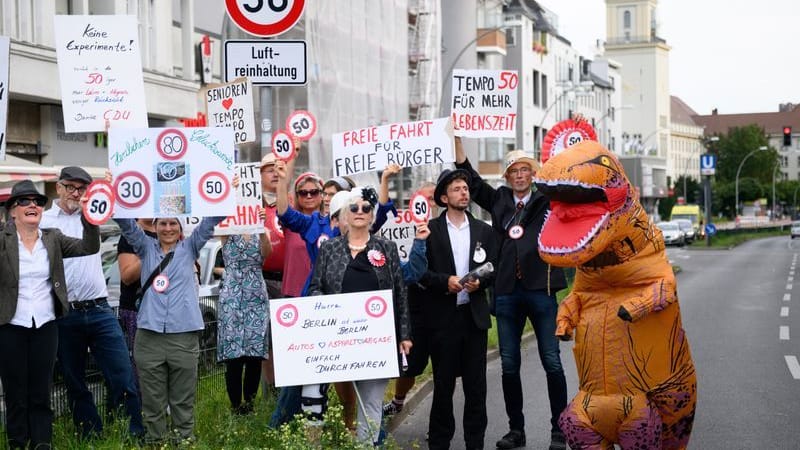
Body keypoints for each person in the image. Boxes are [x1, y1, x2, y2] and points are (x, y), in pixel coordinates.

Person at [454, 138, 568, 450]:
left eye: (525, 170)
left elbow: (571, 177)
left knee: (552, 361)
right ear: (507, 178)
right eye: (514, 171)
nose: (519, 175)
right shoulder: (501, 199)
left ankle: (560, 429)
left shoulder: (548, 198)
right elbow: (473, 182)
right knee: (508, 364)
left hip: (541, 288)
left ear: (533, 174)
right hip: (506, 291)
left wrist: (576, 133)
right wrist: (456, 141)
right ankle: (516, 429)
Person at [39, 166, 143, 439]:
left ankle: (131, 434)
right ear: (58, 187)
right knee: (75, 382)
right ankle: (91, 436)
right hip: (64, 312)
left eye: (81, 188)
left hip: (99, 308)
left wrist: (112, 185)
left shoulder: (94, 213)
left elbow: (123, 212)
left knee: (122, 375)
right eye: (70, 187)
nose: (76, 193)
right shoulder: (44, 220)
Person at [305, 186, 413, 445]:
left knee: (372, 402)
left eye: (366, 208)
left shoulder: (386, 247)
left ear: (372, 215)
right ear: (344, 216)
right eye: (354, 208)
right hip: (338, 338)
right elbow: (315, 287)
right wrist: (331, 311)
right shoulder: (330, 248)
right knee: (324, 397)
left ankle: (366, 445)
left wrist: (405, 335)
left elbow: (400, 292)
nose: (360, 212)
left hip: (378, 339)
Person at [0, 180, 100, 449]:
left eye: (37, 201)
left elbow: (88, 247)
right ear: (12, 211)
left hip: (45, 324)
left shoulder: (52, 238)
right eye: (24, 201)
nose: (32, 205)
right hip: (10, 325)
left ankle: (43, 443)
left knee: (41, 390)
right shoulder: (2, 239)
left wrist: (91, 219)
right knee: (15, 392)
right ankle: (18, 443)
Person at [116, 212, 227, 445]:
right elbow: (125, 223)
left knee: (183, 399)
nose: (168, 228)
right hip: (149, 337)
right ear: (155, 227)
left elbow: (210, 221)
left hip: (183, 337)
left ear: (180, 227)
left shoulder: (190, 248)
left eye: (173, 224)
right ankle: (156, 442)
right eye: (163, 223)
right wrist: (111, 188)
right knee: (152, 400)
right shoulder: (145, 248)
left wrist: (225, 190)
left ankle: (184, 441)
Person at [417, 169, 498, 450]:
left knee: (476, 388)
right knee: (443, 386)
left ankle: (475, 443)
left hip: (473, 319)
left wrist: (480, 281)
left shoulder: (484, 230)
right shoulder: (430, 230)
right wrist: (445, 282)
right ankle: (440, 443)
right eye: (456, 189)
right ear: (443, 197)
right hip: (443, 320)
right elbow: (420, 273)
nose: (463, 192)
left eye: (465, 188)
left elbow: (493, 268)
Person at [384, 180, 438, 417]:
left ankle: (439, 422)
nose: (430, 203)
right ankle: (398, 400)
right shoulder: (402, 223)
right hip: (414, 303)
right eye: (425, 198)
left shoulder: (445, 228)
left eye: (434, 198)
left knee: (444, 369)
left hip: (441, 302)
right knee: (411, 365)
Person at [216, 226, 272, 415]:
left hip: (255, 294)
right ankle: (235, 406)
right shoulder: (227, 229)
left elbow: (267, 254)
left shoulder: (260, 231)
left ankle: (249, 406)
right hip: (232, 294)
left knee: (254, 354)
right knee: (234, 355)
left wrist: (263, 230)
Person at [117, 217, 156, 398]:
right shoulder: (129, 236)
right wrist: (153, 252)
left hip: (165, 310)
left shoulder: (167, 229)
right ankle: (140, 414)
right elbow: (126, 276)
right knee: (141, 366)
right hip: (136, 310)